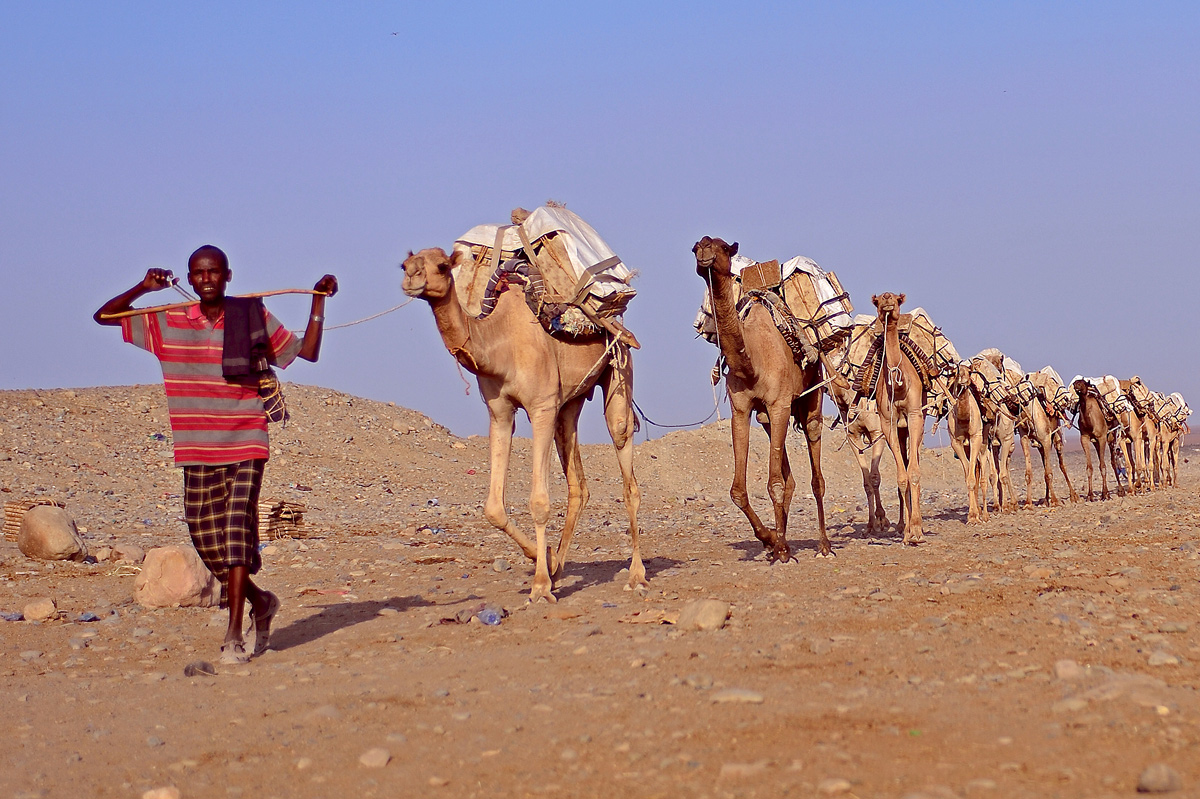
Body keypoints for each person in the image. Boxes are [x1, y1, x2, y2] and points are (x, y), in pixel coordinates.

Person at [95, 245, 337, 664]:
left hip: (245, 439)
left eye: (214, 272)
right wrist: (144, 287)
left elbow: (306, 352)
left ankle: (233, 637)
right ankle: (261, 603)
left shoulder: (250, 317)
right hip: (195, 447)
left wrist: (317, 302)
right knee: (204, 538)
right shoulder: (167, 320)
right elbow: (104, 316)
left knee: (237, 533)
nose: (206, 279)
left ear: (227, 276)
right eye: (198, 273)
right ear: (190, 279)